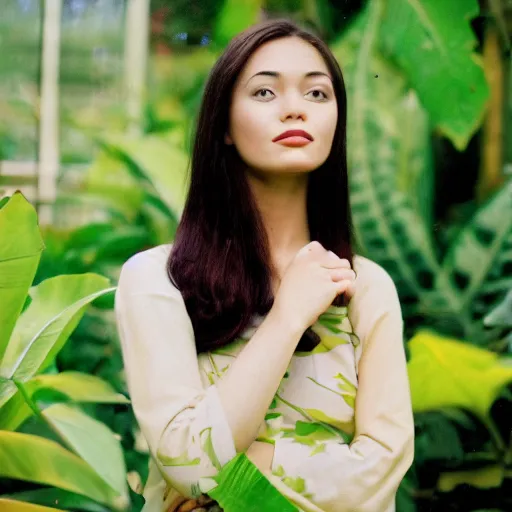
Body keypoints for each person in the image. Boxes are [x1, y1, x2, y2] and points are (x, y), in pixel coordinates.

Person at [115, 18, 414, 512]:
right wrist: (289, 315)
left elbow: (381, 473)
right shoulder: (157, 280)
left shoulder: (366, 287)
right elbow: (190, 467)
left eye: (317, 94)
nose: (296, 108)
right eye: (264, 93)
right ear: (224, 126)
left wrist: (255, 460)